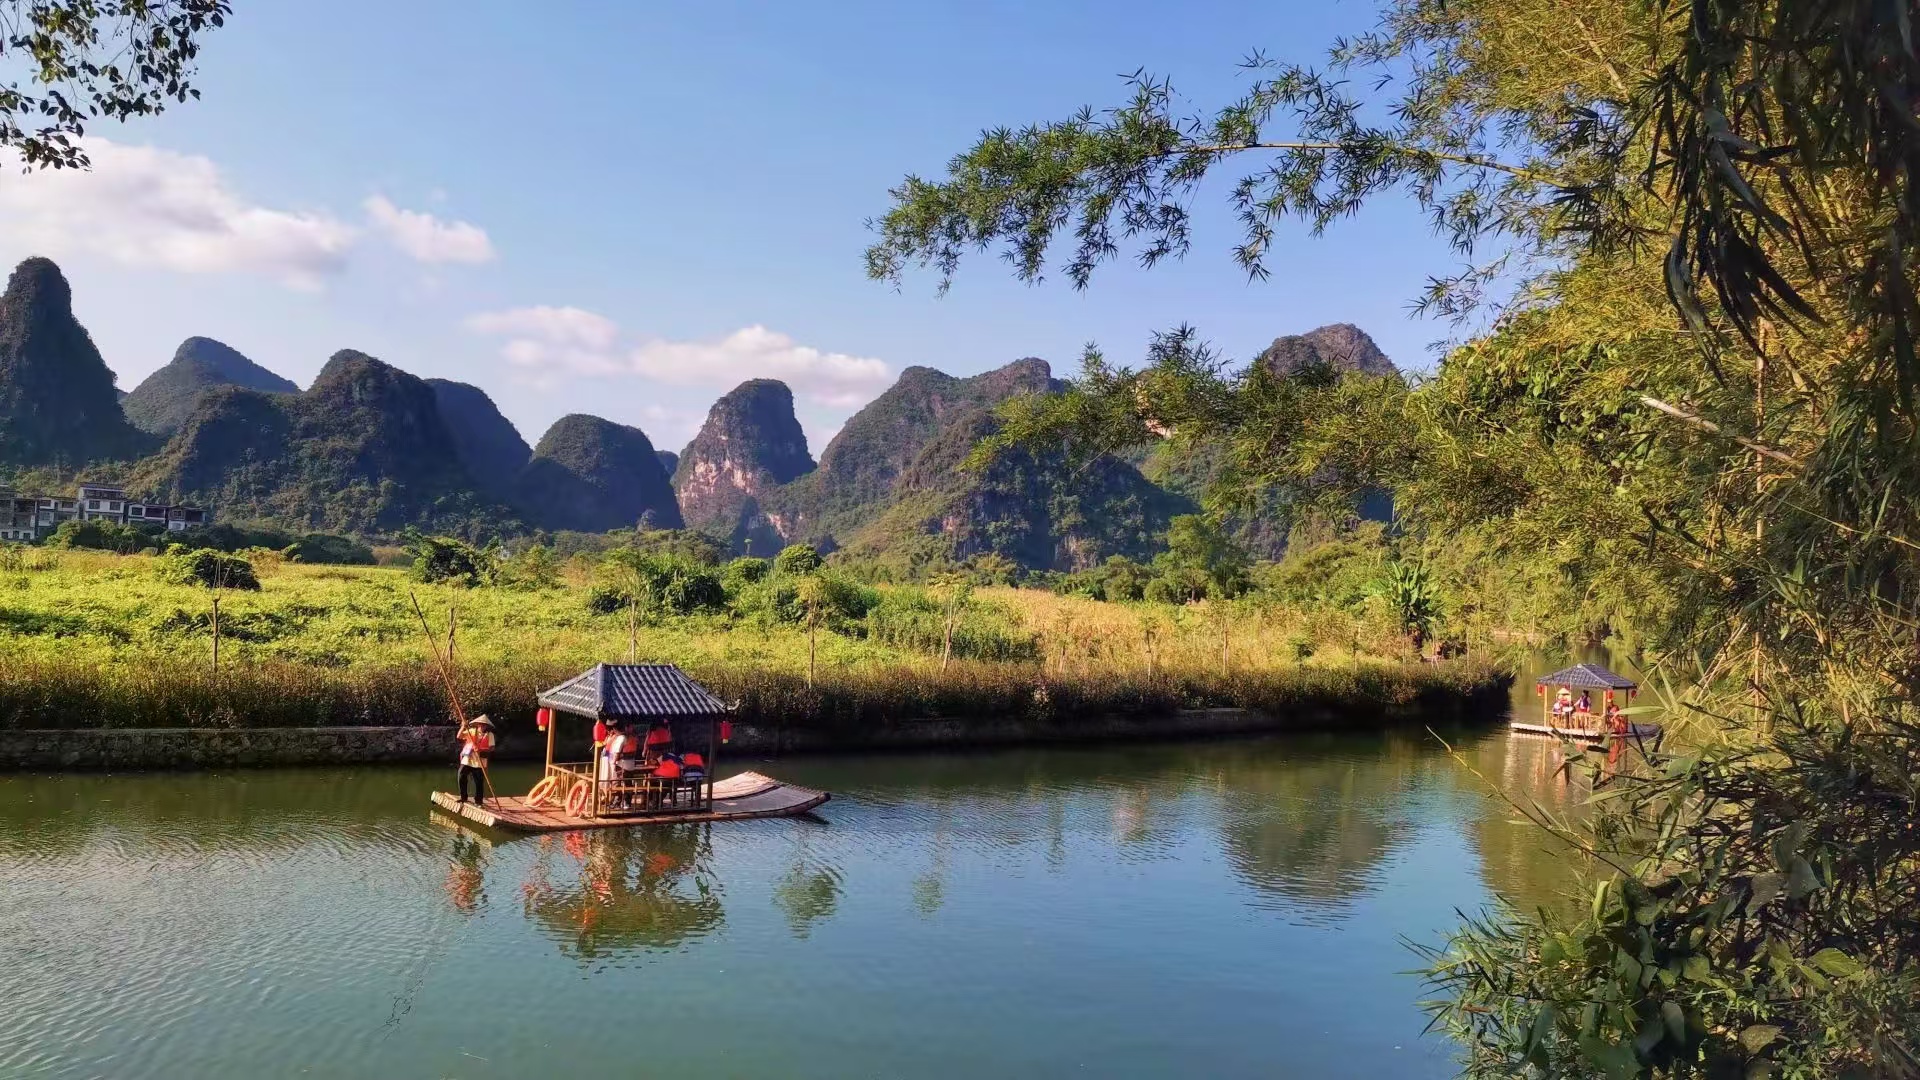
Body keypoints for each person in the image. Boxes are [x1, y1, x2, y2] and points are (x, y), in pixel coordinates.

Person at [456, 715, 495, 805]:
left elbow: (492, 748)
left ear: (486, 726)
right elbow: (459, 736)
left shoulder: (490, 735)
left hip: (479, 761)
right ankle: (463, 797)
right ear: (478, 725)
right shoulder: (472, 731)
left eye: (484, 725)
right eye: (480, 725)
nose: (482, 726)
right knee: (461, 776)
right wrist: (463, 726)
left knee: (478, 782)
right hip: (468, 759)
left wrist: (480, 749)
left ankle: (478, 801)